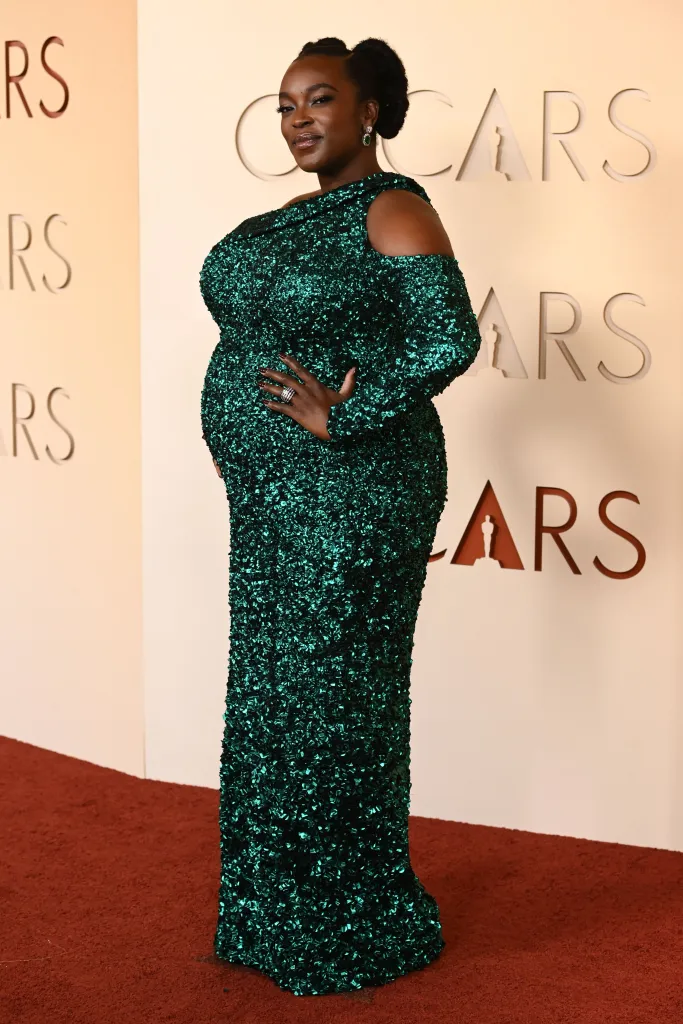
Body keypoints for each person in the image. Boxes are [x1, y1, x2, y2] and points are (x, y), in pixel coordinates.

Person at [199, 35, 481, 998]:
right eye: (285, 105)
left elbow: (449, 334)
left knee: (333, 707)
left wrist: (347, 413)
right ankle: (275, 915)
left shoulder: (394, 208)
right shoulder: (290, 217)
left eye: (320, 99)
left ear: (369, 112)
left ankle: (351, 923)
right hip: (271, 497)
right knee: (274, 699)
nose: (299, 119)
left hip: (357, 491)